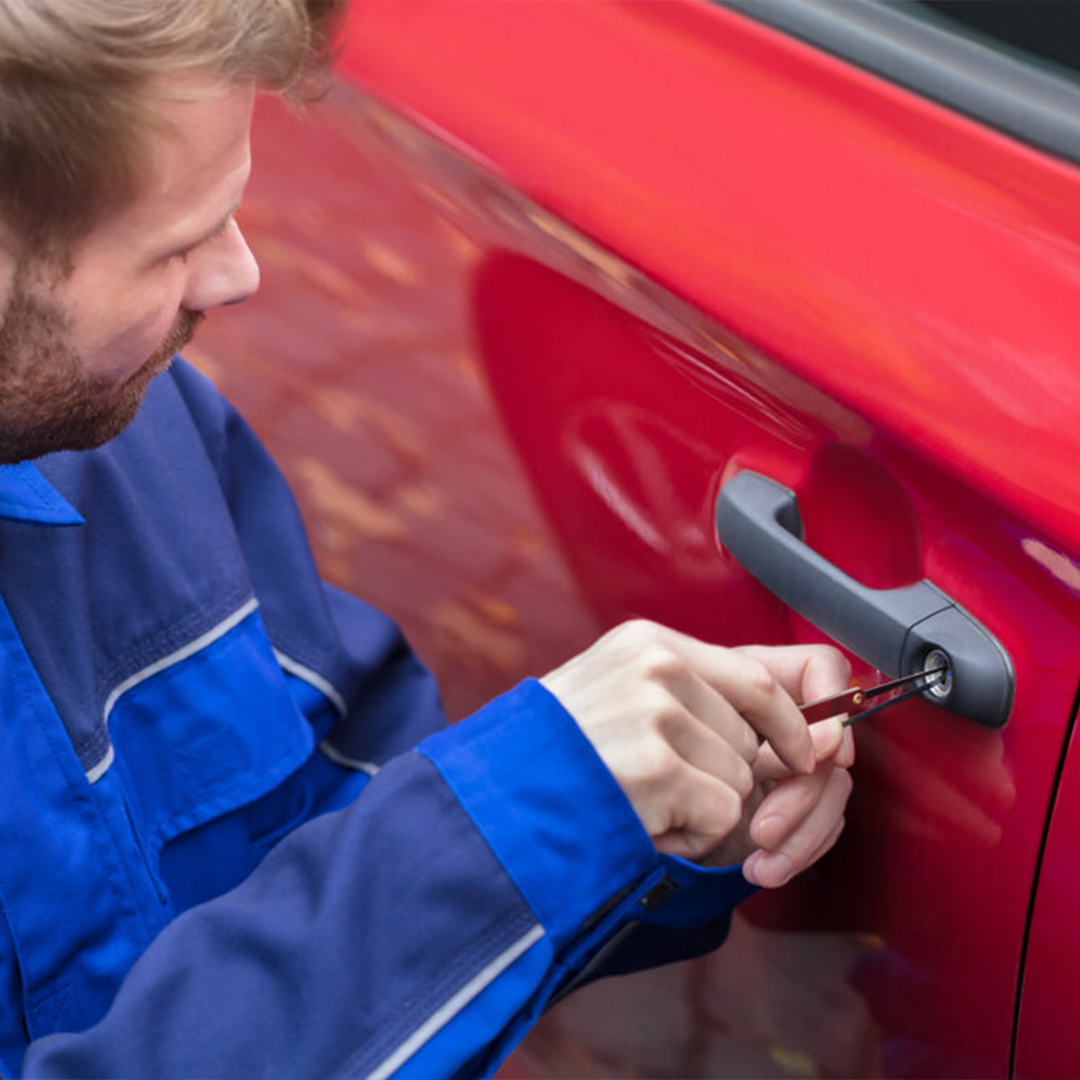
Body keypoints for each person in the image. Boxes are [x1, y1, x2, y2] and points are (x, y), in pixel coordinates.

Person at [0, 1, 855, 1076]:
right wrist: (532, 800)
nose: (238, 275)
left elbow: (347, 787)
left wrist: (630, 810)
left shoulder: (141, 438)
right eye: (174, 245)